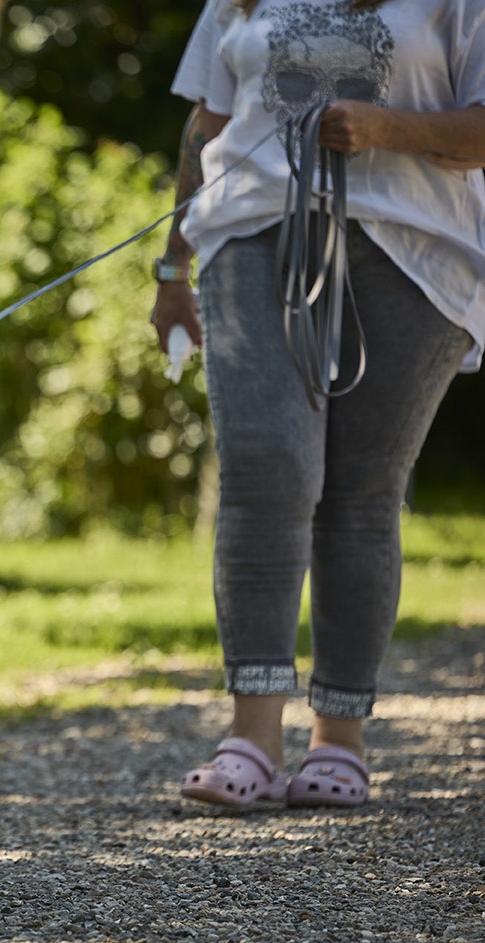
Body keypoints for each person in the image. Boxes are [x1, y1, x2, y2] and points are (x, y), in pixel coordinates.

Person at [151, 0, 485, 807]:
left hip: (415, 249)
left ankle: (339, 737)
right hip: (253, 236)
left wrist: (384, 128)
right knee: (269, 474)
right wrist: (171, 267)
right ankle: (251, 737)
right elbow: (208, 123)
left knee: (361, 496)